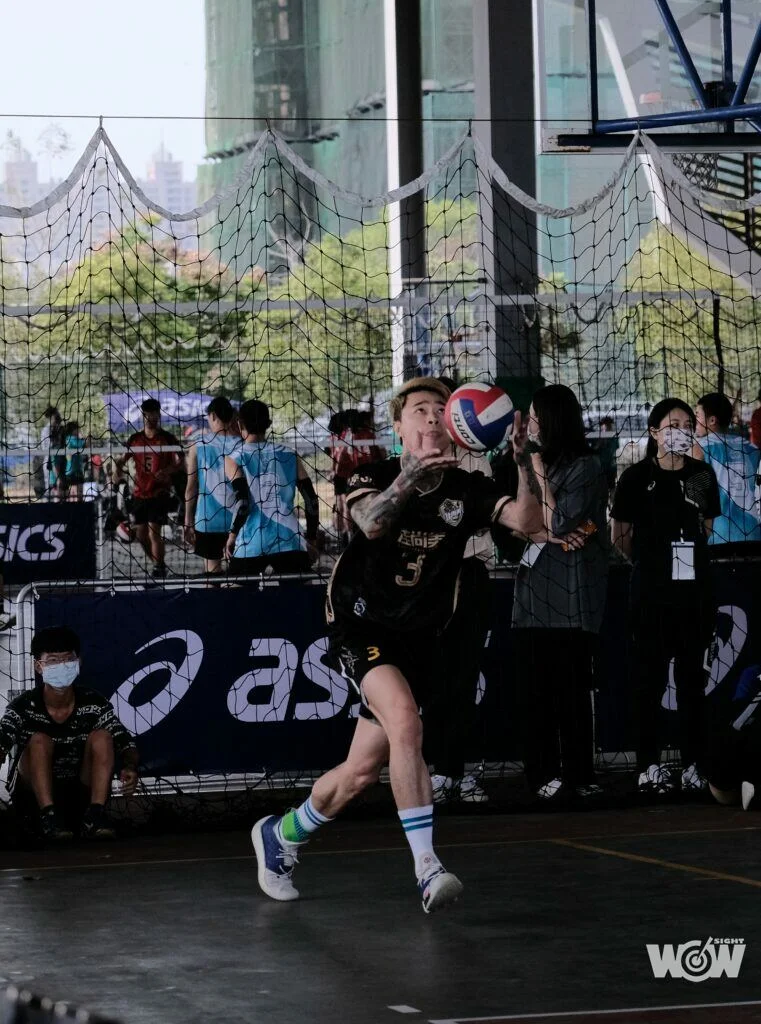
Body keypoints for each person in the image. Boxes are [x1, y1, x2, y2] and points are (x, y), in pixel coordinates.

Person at [250, 377, 543, 913]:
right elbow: (369, 522)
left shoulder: (467, 488)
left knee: (360, 773)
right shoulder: (375, 473)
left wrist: (523, 459)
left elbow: (528, 521)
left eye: (440, 408)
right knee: (407, 724)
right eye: (420, 409)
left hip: (420, 635)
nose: (432, 416)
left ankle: (282, 833)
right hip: (361, 625)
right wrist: (409, 477)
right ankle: (427, 868)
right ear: (400, 428)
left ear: (454, 424)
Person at [611, 398, 721, 796]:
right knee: (649, 682)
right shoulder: (635, 477)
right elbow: (620, 536)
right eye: (673, 424)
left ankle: (694, 765)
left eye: (687, 424)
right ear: (654, 431)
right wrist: (650, 563)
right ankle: (648, 766)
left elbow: (706, 526)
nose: (681, 430)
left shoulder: (702, 474)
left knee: (693, 683)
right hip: (650, 595)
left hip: (694, 595)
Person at [511, 384, 609, 801]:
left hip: (573, 591)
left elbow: (559, 522)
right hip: (534, 591)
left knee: (572, 690)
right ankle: (542, 774)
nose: (530, 423)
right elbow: (519, 524)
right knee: (536, 692)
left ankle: (579, 773)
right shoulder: (523, 462)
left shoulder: (586, 466)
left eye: (535, 416)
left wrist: (537, 468)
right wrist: (525, 462)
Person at [0, 626, 139, 840]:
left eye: (68, 659)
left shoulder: (95, 703)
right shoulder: (22, 707)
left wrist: (130, 767)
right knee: (39, 741)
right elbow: (2, 742)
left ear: (78, 662)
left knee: (102, 737)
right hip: (31, 800)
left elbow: (126, 743)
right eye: (53, 661)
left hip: (79, 795)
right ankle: (48, 816)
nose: (62, 666)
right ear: (38, 666)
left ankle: (95, 815)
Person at [224, 399, 319, 575]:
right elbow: (311, 499)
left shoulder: (234, 458)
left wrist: (232, 535)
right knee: (299, 591)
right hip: (289, 539)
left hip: (251, 542)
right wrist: (311, 539)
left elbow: (243, 503)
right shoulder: (289, 454)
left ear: (240, 424)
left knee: (234, 590)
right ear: (267, 423)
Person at [112, 398, 183, 579]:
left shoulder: (167, 438)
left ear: (158, 414)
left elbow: (181, 462)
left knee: (154, 531)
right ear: (143, 415)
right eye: (147, 414)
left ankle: (158, 568)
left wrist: (167, 471)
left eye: (153, 413)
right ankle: (159, 565)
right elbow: (121, 460)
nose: (150, 417)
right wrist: (117, 472)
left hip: (159, 492)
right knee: (141, 534)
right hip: (139, 492)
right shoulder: (135, 439)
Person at [693, 392, 761, 544]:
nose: (694, 421)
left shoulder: (699, 448)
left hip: (718, 537)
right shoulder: (751, 448)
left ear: (712, 420)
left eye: (697, 415)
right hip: (753, 534)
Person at [184, 397, 242, 575]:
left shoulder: (198, 445)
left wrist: (188, 521)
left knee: (212, 575)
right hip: (239, 521)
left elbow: (191, 488)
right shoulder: (243, 444)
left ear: (213, 416)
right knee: (239, 577)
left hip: (208, 521)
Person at [63, 421, 86, 502]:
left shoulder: (69, 439)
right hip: (72, 471)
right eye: (78, 429)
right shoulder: (71, 439)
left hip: (74, 471)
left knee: (77, 494)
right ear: (73, 430)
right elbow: (84, 444)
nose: (79, 430)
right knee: (76, 495)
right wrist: (84, 437)